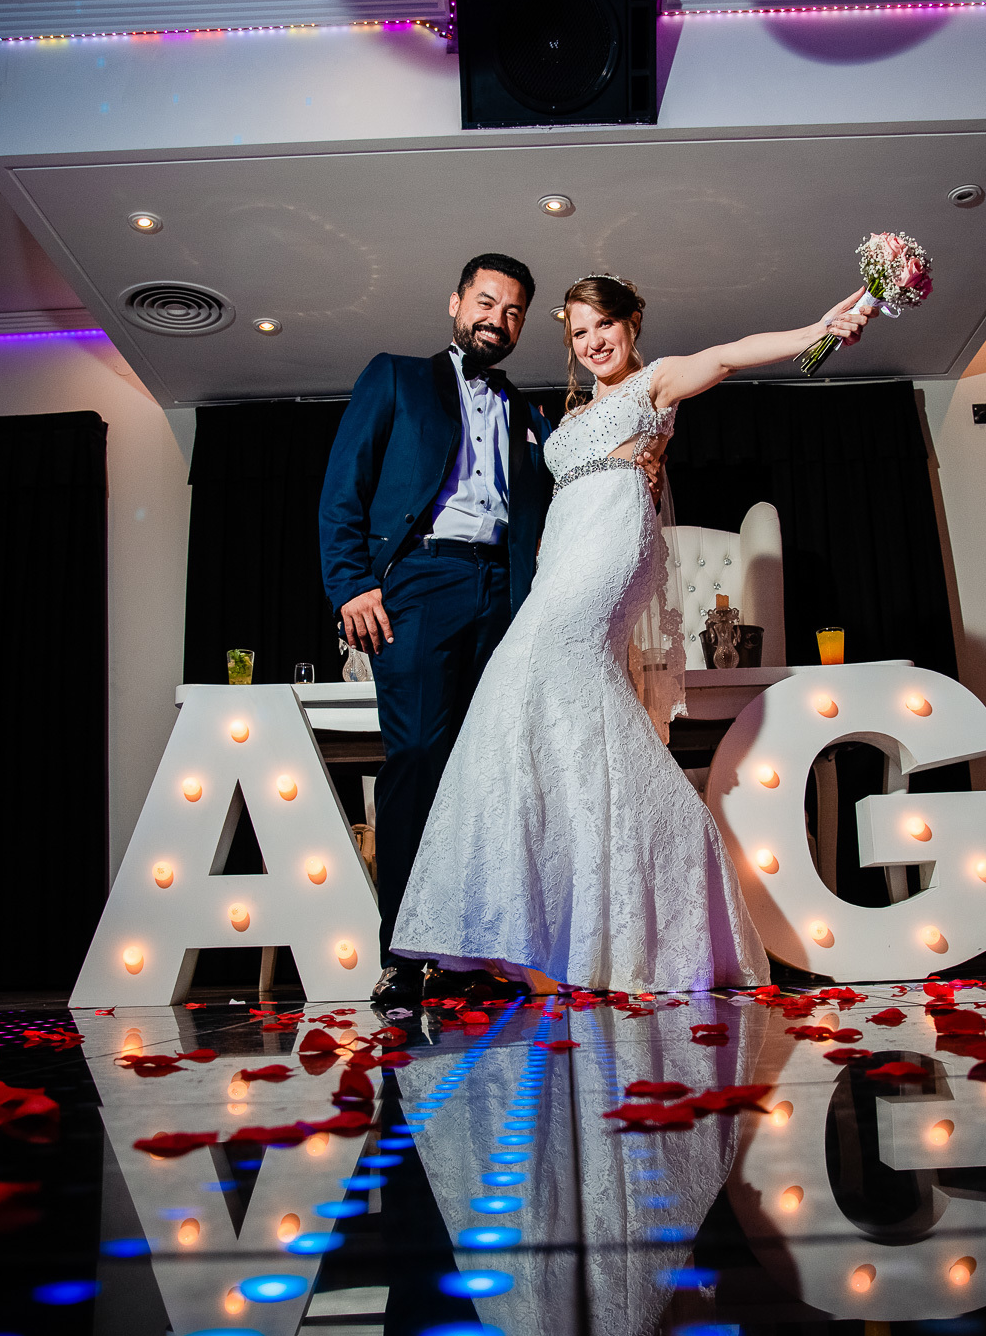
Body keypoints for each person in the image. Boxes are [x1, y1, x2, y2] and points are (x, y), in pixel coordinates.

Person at [392, 273, 878, 993]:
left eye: (603, 327)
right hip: (561, 555)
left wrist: (817, 329)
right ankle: (558, 916)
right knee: (533, 706)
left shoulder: (656, 382)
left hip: (612, 547)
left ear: (631, 323)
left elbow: (731, 354)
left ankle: (670, 867)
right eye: (579, 333)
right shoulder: (572, 408)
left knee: (540, 676)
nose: (592, 342)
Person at [319, 254, 554, 1011]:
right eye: (487, 302)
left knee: (482, 773)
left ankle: (463, 955)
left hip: (502, 593)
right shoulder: (395, 377)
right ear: (455, 303)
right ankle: (400, 954)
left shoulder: (528, 414)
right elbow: (343, 485)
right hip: (419, 582)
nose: (498, 319)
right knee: (418, 757)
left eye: (514, 311)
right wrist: (351, 581)